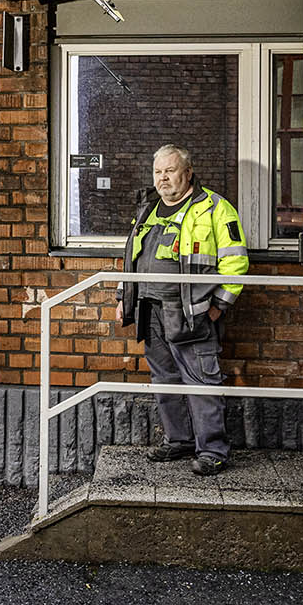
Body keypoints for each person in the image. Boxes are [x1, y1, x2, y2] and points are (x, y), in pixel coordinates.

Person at [118, 143, 249, 477]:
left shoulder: (214, 208)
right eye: (158, 172)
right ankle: (180, 440)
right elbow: (131, 256)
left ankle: (213, 450)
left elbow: (236, 262)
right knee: (165, 380)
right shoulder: (148, 207)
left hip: (193, 312)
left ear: (188, 172)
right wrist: (124, 298)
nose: (163, 178)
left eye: (170, 170)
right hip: (151, 309)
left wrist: (219, 305)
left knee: (201, 380)